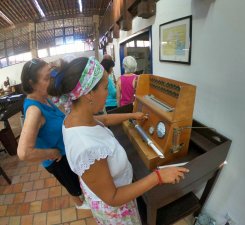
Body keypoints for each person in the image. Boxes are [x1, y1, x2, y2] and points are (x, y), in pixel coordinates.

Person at [48, 56, 189, 224]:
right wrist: (158, 177)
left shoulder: (75, 117)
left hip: (104, 193)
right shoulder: (87, 147)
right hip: (116, 211)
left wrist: (132, 115)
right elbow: (113, 197)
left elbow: (104, 120)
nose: (110, 91)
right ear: (89, 94)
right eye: (106, 87)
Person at [17, 58, 89, 209]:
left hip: (64, 152)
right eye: (47, 78)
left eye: (51, 75)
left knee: (75, 179)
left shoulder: (44, 98)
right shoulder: (34, 111)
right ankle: (80, 205)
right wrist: (53, 152)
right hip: (57, 161)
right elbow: (23, 152)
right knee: (72, 185)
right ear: (32, 83)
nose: (52, 81)